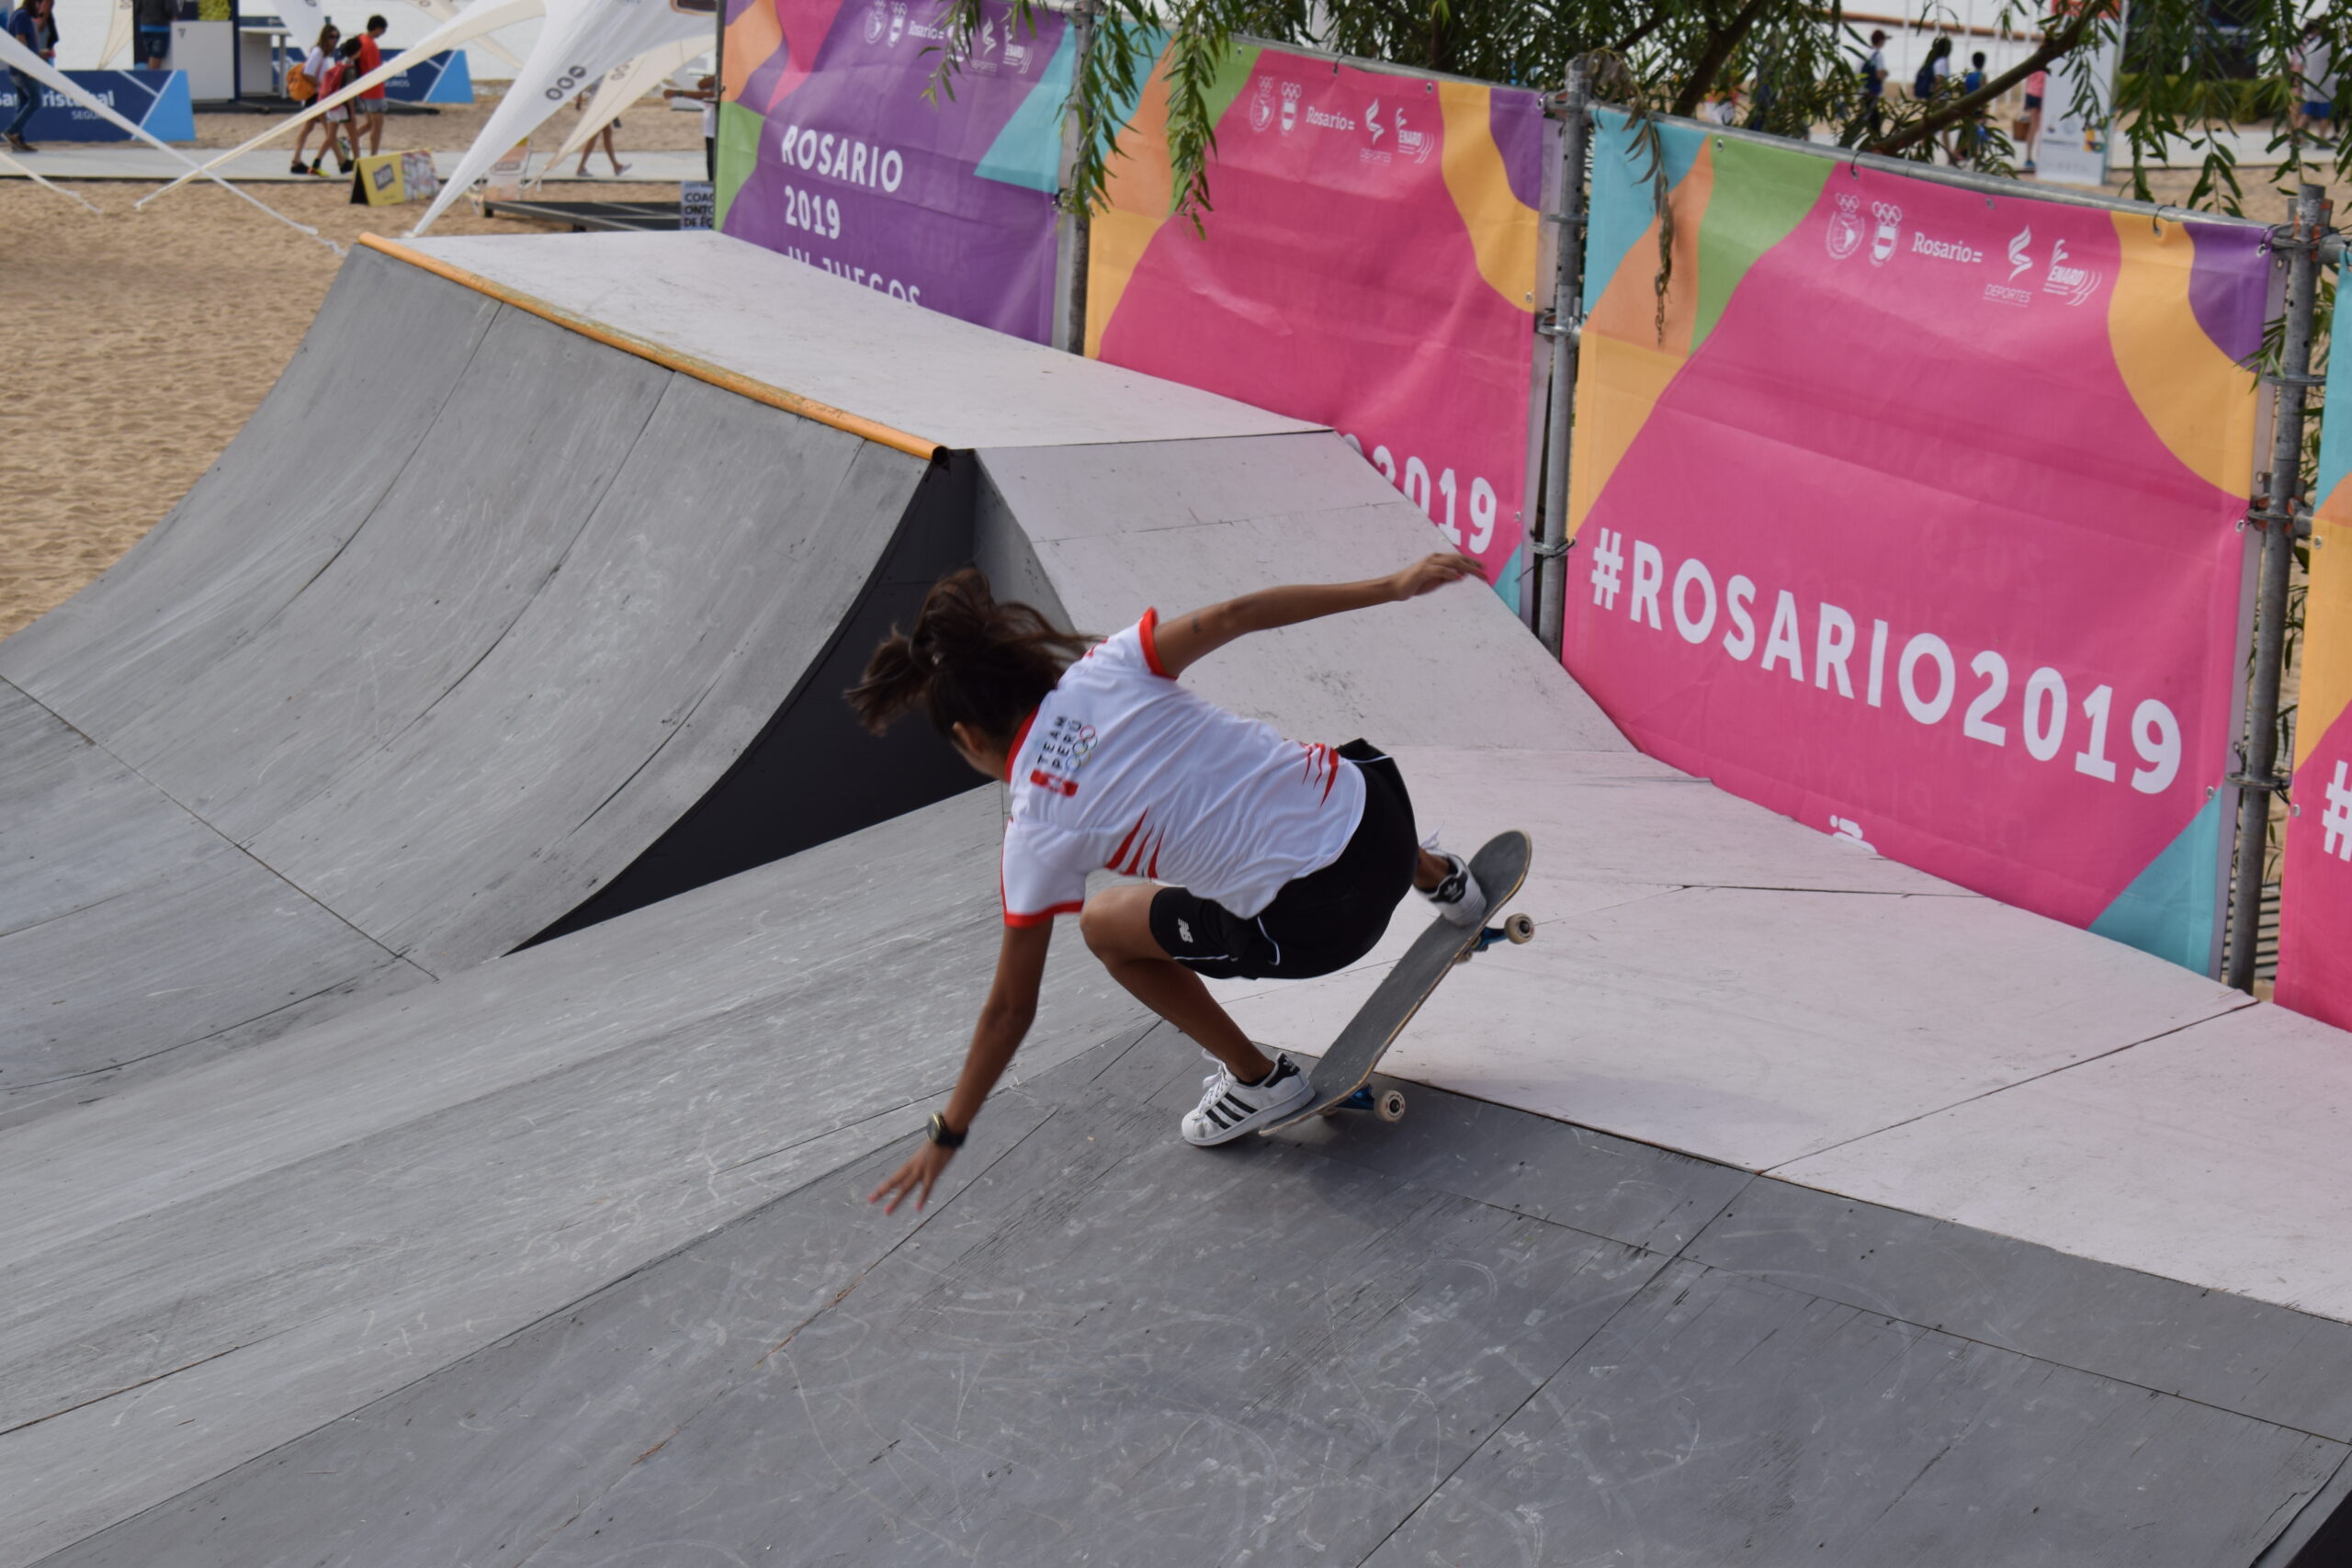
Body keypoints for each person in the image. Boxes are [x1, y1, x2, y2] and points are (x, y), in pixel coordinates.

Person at [854, 556, 1493, 1214]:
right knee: (1290, 774)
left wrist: (948, 1129)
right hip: (1384, 816)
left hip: (1324, 927)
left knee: (1104, 926)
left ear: (967, 736)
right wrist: (1389, 585)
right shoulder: (1110, 665)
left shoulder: (1035, 827)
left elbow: (1011, 1010)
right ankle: (1440, 877)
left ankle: (1260, 1081)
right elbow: (1237, 615)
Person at [289, 20, 345, 175]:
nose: (334, 40)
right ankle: (341, 162)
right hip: (316, 96)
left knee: (309, 128)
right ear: (325, 37)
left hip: (318, 95)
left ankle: (296, 161)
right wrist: (322, 84)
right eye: (332, 37)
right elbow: (307, 72)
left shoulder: (322, 54)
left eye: (336, 37)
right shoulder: (318, 52)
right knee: (329, 130)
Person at [6, 0, 56, 154]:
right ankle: (12, 131)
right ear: (35, 3)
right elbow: (20, 40)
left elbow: (24, 43)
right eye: (40, 5)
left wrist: (40, 53)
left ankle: (18, 140)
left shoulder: (20, 15)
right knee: (36, 101)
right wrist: (28, 65)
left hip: (17, 68)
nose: (41, 10)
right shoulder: (23, 16)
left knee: (23, 103)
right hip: (23, 69)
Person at [312, 36, 361, 174]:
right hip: (343, 107)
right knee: (353, 137)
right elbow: (349, 94)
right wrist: (352, 113)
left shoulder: (339, 64)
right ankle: (359, 165)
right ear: (356, 51)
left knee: (331, 136)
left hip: (332, 105)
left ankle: (316, 163)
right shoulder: (350, 68)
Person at [349, 12, 388, 158]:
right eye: (383, 30)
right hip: (373, 91)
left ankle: (348, 141)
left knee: (370, 123)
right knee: (377, 125)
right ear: (378, 28)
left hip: (364, 89)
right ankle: (373, 155)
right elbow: (373, 70)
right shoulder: (370, 45)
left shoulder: (360, 38)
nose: (382, 34)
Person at [664, 72, 716, 179]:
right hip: (712, 129)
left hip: (722, 129)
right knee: (712, 169)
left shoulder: (733, 74)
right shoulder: (724, 72)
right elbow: (701, 85)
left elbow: (711, 95)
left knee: (717, 169)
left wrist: (679, 93)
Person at [2293, 23, 2337, 141]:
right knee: (2325, 114)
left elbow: (2300, 64)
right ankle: (2321, 139)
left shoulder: (2309, 45)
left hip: (2309, 84)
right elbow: (2341, 61)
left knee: (2306, 113)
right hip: (2326, 85)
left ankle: (2296, 137)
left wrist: (2299, 81)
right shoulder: (2331, 46)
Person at [571, 88, 626, 177]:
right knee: (594, 136)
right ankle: (581, 167)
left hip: (600, 104)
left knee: (607, 133)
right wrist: (579, 98)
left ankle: (616, 166)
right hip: (598, 106)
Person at [1860, 29, 1889, 140]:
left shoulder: (1867, 52)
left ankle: (1871, 137)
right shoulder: (1878, 55)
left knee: (1868, 115)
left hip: (1863, 89)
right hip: (1872, 90)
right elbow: (1879, 74)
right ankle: (1875, 139)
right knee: (1874, 118)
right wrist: (1886, 73)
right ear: (1880, 41)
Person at [2020, 67, 2045, 173]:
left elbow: (2028, 81)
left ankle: (2028, 157)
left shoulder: (2034, 65)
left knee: (2032, 127)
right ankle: (2039, 156)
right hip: (2040, 95)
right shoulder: (2047, 67)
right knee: (2039, 127)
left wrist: (2025, 101)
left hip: (2030, 94)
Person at [132, 0, 169, 71]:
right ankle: (152, 78)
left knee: (152, 56)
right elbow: (169, 9)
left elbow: (138, 8)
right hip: (159, 28)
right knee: (156, 56)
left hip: (145, 28)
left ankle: (150, 76)